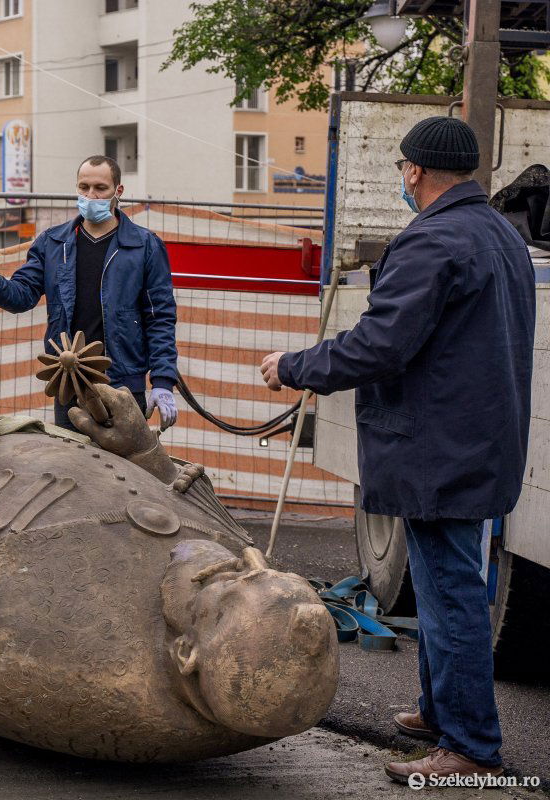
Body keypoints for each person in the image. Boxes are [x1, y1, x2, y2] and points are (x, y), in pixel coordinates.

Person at [260, 116, 535, 783]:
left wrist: (292, 366)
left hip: (435, 448)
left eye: (402, 171)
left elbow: (381, 343)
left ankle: (469, 746)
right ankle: (441, 713)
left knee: (449, 596)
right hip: (477, 441)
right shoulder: (502, 235)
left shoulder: (433, 240)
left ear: (413, 170)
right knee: (448, 588)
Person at [0, 155, 179, 431]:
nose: (91, 195)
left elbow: (160, 317)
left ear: (118, 191)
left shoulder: (144, 245)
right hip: (69, 378)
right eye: (84, 187)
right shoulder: (53, 243)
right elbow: (23, 295)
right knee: (72, 467)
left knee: (123, 471)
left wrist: (162, 382)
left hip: (123, 382)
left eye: (100, 188)